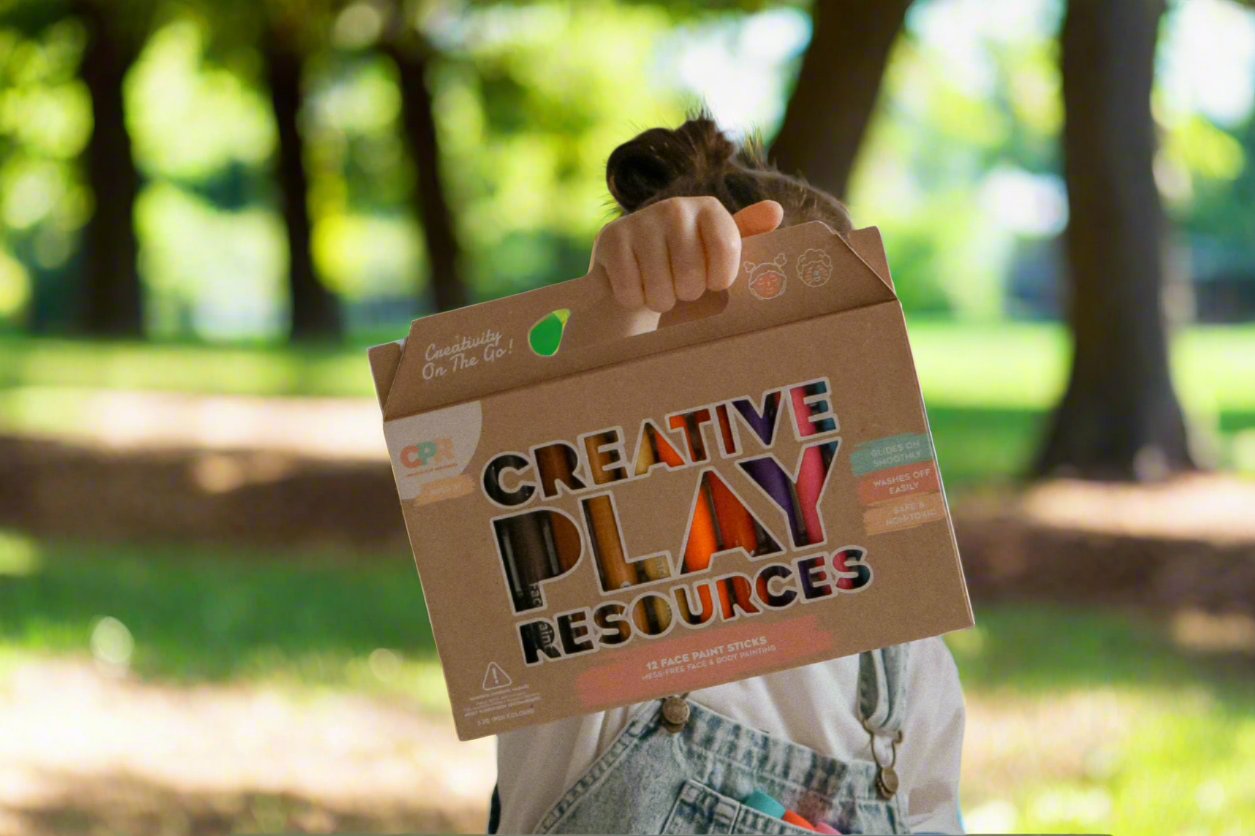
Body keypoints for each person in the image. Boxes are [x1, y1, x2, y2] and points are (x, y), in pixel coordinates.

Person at [489, 116, 966, 835]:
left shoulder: (903, 659)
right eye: (697, 389)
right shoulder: (601, 630)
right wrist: (618, 308)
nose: (750, 429)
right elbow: (561, 467)